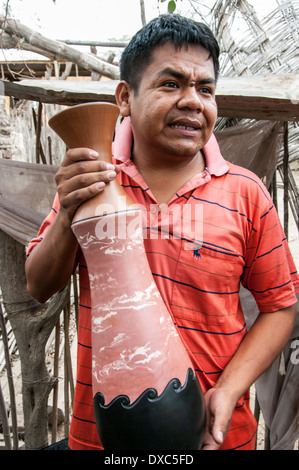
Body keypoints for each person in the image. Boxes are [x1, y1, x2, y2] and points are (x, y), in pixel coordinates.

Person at [25, 14, 298, 450]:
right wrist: (67, 215)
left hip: (219, 436)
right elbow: (39, 285)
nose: (193, 101)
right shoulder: (91, 184)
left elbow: (281, 307)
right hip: (104, 436)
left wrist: (228, 390)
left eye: (205, 89)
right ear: (125, 98)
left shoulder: (247, 193)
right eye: (170, 84)